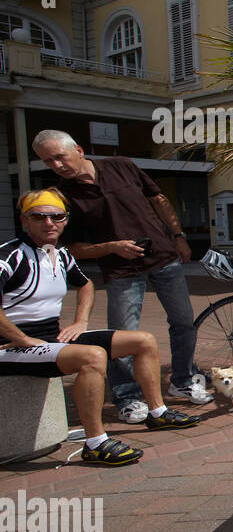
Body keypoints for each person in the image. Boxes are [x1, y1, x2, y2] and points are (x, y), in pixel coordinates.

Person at [1, 189, 199, 464]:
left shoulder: (58, 253)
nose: (49, 223)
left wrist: (80, 322)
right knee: (92, 356)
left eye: (56, 217)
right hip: (10, 347)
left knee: (143, 341)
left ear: (65, 220)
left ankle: (158, 413)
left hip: (50, 340)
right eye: (39, 217)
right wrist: (22, 338)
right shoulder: (10, 255)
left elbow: (85, 284)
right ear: (24, 221)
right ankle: (95, 443)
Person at [31, 129, 212, 424]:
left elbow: (159, 198)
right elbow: (74, 248)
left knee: (183, 322)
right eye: (48, 162)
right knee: (121, 338)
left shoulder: (121, 165)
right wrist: (112, 247)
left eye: (59, 157)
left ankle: (182, 378)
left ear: (77, 149)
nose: (57, 166)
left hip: (163, 258)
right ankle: (127, 397)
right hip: (121, 271)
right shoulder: (65, 196)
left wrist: (178, 235)